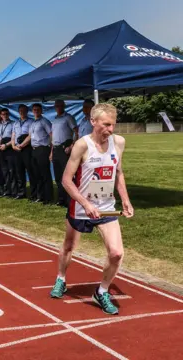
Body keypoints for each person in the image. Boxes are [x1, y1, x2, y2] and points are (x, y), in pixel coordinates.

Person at [49, 103, 133, 315]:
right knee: (69, 246)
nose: (110, 129)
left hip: (106, 207)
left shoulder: (119, 143)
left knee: (116, 253)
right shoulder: (82, 145)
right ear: (93, 122)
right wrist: (86, 204)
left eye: (113, 125)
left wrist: (125, 199)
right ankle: (61, 279)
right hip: (81, 207)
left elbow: (119, 172)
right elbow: (66, 180)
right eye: (105, 124)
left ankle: (102, 291)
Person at [51, 100, 79, 207]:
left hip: (65, 149)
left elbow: (76, 131)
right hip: (56, 149)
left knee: (67, 176)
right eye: (56, 106)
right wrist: (51, 152)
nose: (58, 107)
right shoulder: (55, 120)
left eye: (60, 105)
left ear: (64, 106)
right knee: (58, 177)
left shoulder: (68, 117)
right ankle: (61, 199)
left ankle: (69, 200)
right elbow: (53, 137)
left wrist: (72, 146)